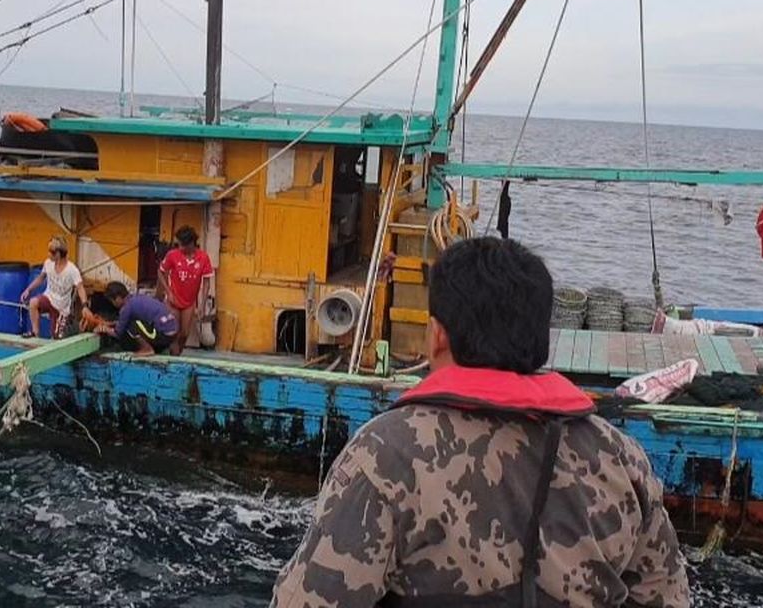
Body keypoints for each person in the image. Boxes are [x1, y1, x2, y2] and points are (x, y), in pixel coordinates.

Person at [271, 237, 689, 608]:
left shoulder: (385, 455)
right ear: (542, 339)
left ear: (436, 335)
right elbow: (665, 594)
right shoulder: (620, 457)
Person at [20, 236, 89, 339]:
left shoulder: (72, 270)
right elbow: (41, 278)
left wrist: (84, 305)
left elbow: (80, 288)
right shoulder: (48, 263)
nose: (48, 254)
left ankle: (64, 328)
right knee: (33, 302)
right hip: (49, 298)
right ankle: (35, 333)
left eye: (51, 252)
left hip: (61, 308)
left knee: (56, 337)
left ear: (58, 254)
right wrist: (28, 289)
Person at [158, 225, 214, 348]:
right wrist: (168, 292)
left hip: (189, 302)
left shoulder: (203, 258)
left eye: (182, 245)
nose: (180, 248)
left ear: (191, 243)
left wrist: (202, 305)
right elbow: (161, 272)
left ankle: (178, 352)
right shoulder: (172, 255)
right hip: (173, 300)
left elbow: (206, 283)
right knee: (174, 332)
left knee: (184, 334)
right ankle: (173, 356)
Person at [100, 281, 181, 356]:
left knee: (131, 325)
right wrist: (111, 323)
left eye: (112, 301)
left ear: (117, 298)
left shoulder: (126, 308)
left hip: (163, 336)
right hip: (173, 332)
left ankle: (147, 349)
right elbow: (122, 321)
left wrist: (104, 329)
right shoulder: (136, 298)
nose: (113, 304)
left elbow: (117, 333)